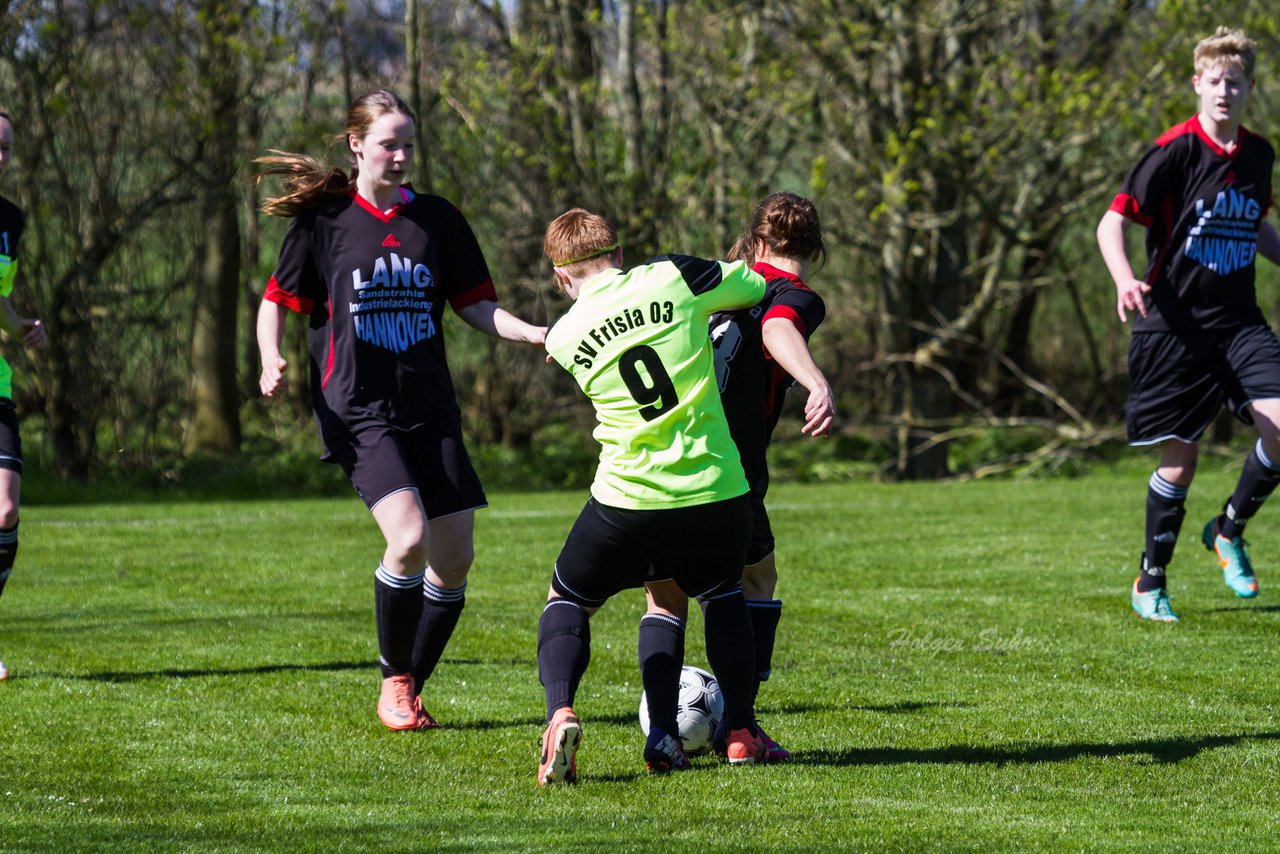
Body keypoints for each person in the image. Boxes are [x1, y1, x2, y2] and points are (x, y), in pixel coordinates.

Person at [255, 90, 546, 728]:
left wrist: (534, 333)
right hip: (358, 408)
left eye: (408, 143)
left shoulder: (437, 220)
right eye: (390, 143)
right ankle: (395, 683)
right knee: (409, 538)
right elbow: (277, 299)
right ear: (356, 144)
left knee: (456, 557)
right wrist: (270, 357)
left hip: (430, 406)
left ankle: (410, 686)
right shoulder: (324, 223)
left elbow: (474, 306)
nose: (402, 155)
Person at [535, 208, 768, 785]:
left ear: (562, 278)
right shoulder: (670, 276)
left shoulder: (564, 336)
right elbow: (752, 285)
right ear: (617, 253)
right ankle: (740, 731)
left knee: (567, 599)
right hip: (714, 488)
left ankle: (561, 712)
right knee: (720, 593)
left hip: (629, 497)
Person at [1096, 28, 1280, 622]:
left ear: (1250, 87)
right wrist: (1125, 277)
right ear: (1197, 84)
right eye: (1215, 81)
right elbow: (1111, 223)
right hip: (1173, 325)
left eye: (1236, 82)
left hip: (1240, 322)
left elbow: (1254, 227)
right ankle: (1150, 581)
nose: (1225, 91)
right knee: (1181, 462)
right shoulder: (1174, 149)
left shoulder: (1259, 154)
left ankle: (1228, 530)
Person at [642, 192, 833, 762]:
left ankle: (663, 737)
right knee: (753, 581)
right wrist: (815, 381)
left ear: (754, 240)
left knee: (665, 599)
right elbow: (778, 330)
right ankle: (742, 731)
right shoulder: (793, 294)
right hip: (732, 472)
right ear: (816, 248)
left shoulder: (720, 286)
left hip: (664, 462)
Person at [0, 109, 47, 683]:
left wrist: (19, 329)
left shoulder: (12, 219)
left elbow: (0, 297)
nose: (1, 158)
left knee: (6, 506)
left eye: (7, 148)